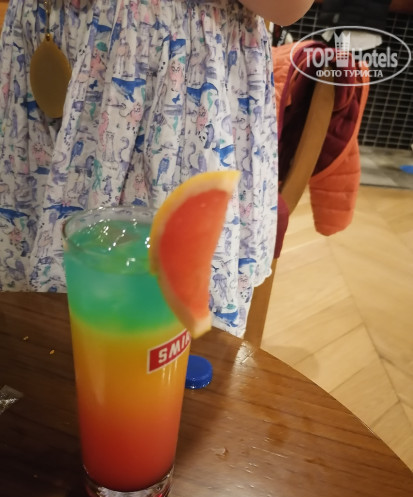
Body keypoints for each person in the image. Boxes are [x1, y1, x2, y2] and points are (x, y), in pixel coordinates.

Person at [0, 0, 312, 337]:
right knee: (28, 329)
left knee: (157, 330)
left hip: (177, 71)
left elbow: (289, 5)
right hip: (45, 34)